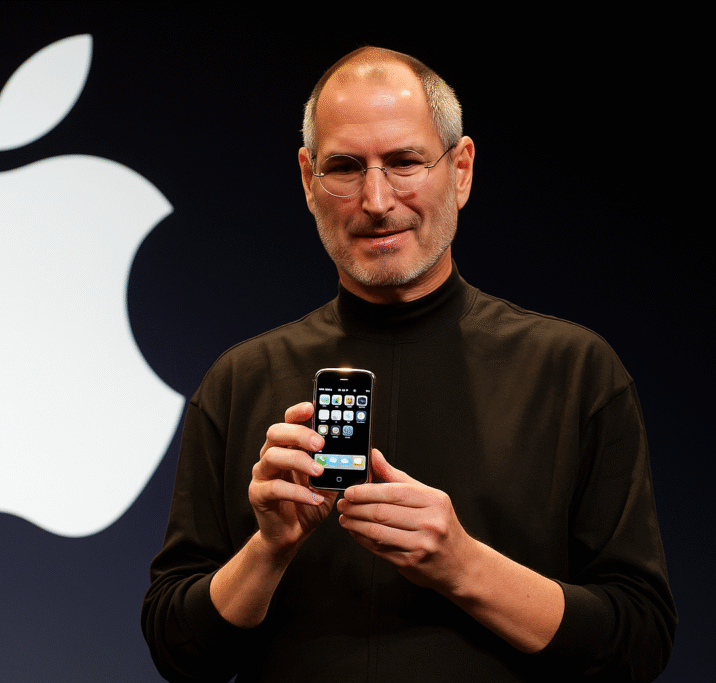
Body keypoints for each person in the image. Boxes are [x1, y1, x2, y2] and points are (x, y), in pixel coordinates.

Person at [141, 47, 676, 682]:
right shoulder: (239, 380)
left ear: (461, 170)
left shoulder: (574, 371)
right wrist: (269, 550)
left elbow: (638, 643)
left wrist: (462, 565)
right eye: (344, 167)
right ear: (308, 180)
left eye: (404, 163)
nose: (375, 199)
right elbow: (178, 652)